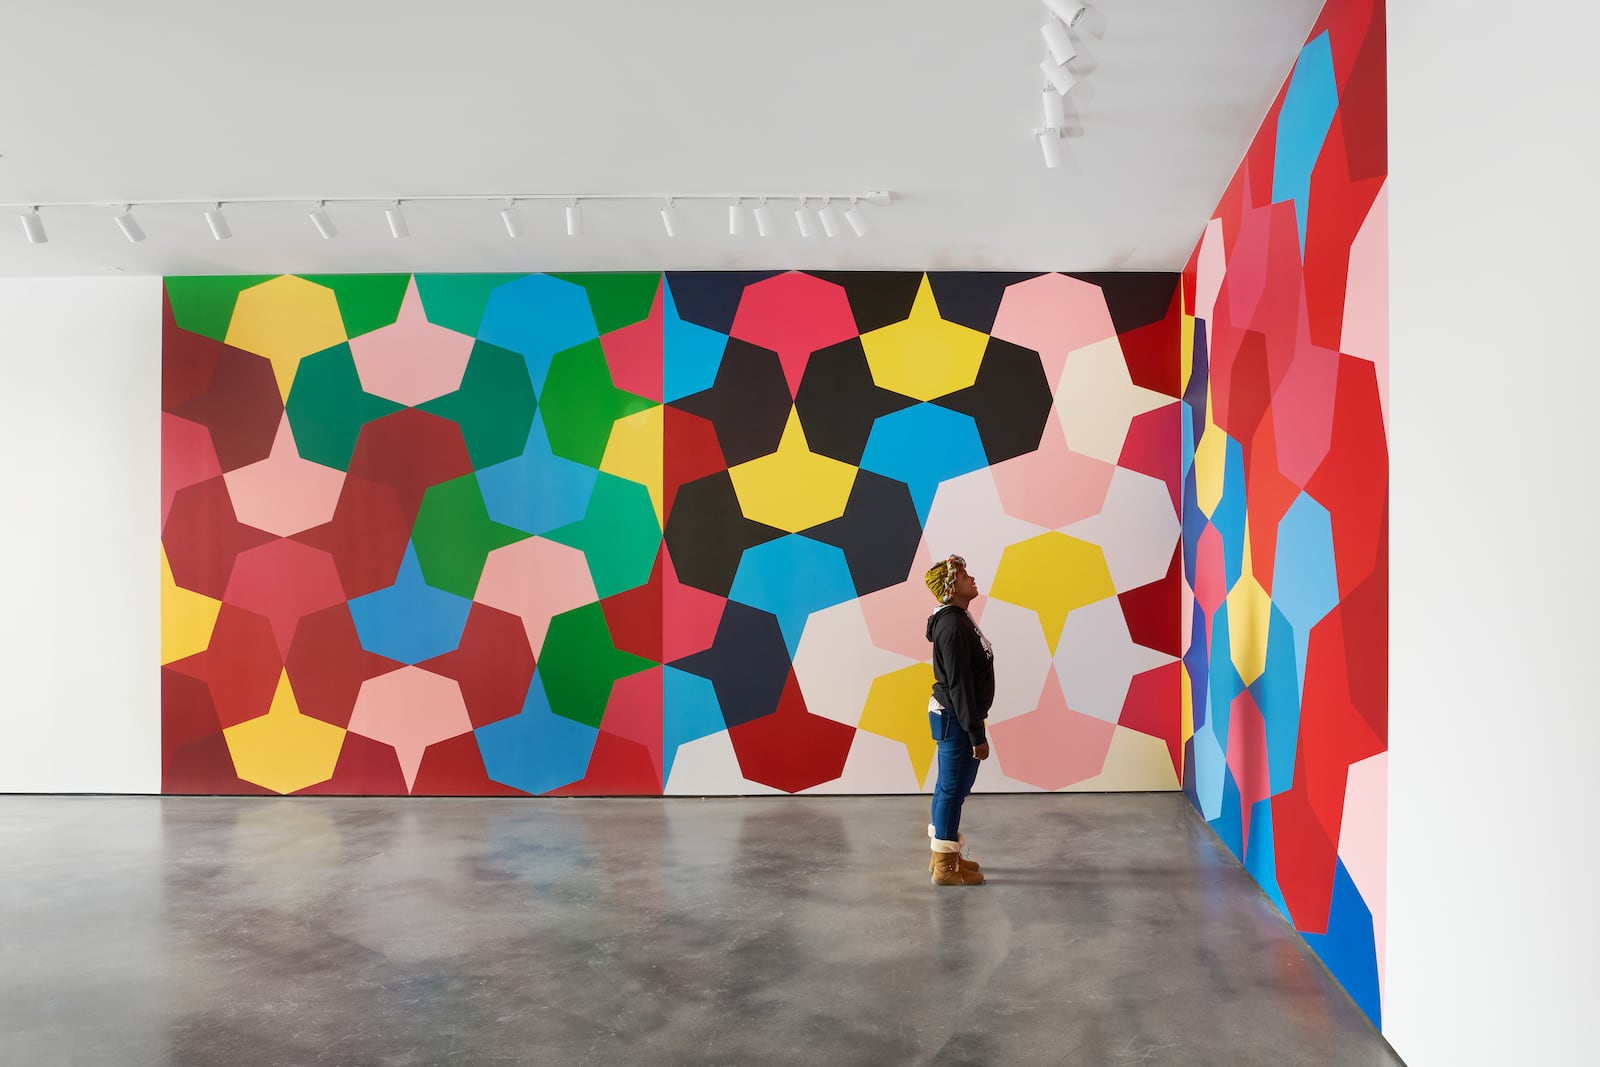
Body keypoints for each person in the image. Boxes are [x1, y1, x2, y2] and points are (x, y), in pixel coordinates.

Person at [923, 554, 994, 886]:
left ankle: (946, 856)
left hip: (956, 716)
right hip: (956, 718)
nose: (972, 579)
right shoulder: (952, 626)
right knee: (952, 789)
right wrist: (976, 734)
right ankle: (944, 867)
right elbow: (960, 685)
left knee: (950, 788)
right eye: (964, 576)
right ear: (951, 588)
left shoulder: (958, 619)